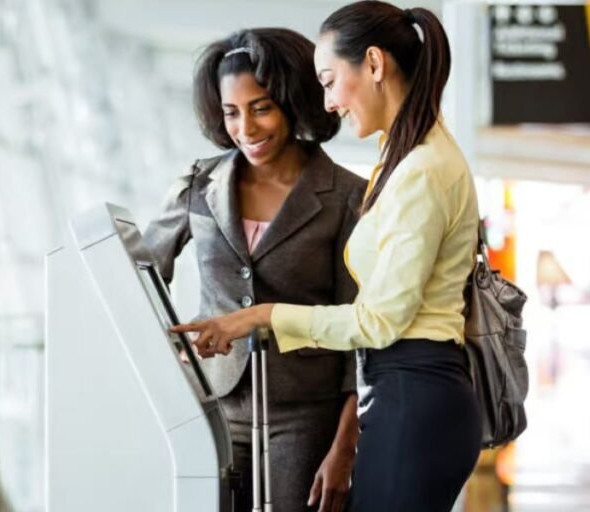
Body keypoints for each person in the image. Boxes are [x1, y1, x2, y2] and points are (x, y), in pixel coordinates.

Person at [172, 3, 482, 510]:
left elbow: (380, 320)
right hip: (403, 390)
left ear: (375, 66)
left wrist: (263, 315)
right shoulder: (406, 159)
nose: (329, 102)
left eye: (330, 80)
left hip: (414, 393)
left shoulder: (422, 169)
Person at [145, 28, 367, 512]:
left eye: (261, 107)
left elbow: (360, 333)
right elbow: (141, 273)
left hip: (307, 415)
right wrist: (170, 343)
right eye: (231, 112)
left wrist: (345, 447)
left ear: (292, 102)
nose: (245, 128)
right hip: (213, 406)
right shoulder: (198, 184)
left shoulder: (348, 195)